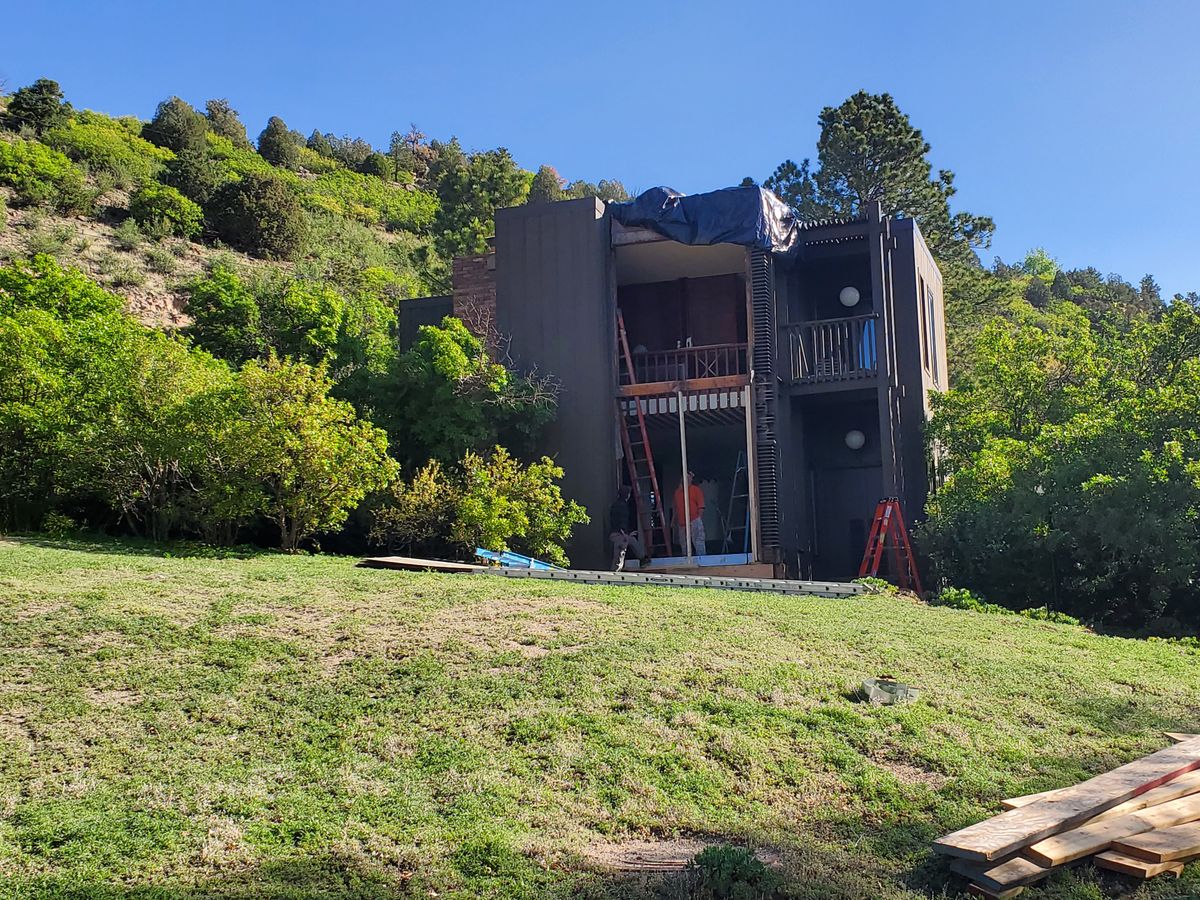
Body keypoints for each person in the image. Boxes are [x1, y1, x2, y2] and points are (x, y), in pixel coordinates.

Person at [608, 485, 648, 571]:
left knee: (632, 541)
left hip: (616, 534)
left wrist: (628, 534)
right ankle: (614, 575)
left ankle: (643, 559)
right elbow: (621, 522)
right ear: (627, 495)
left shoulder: (615, 505)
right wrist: (624, 534)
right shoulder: (623, 506)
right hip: (620, 535)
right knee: (618, 559)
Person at [672, 470, 706, 556]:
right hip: (682, 523)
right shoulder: (677, 493)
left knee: (698, 541)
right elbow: (676, 508)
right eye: (684, 477)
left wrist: (698, 520)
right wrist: (673, 521)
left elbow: (701, 506)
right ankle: (686, 561)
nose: (686, 479)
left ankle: (702, 560)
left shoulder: (696, 490)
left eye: (688, 477)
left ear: (691, 478)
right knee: (684, 544)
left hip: (694, 520)